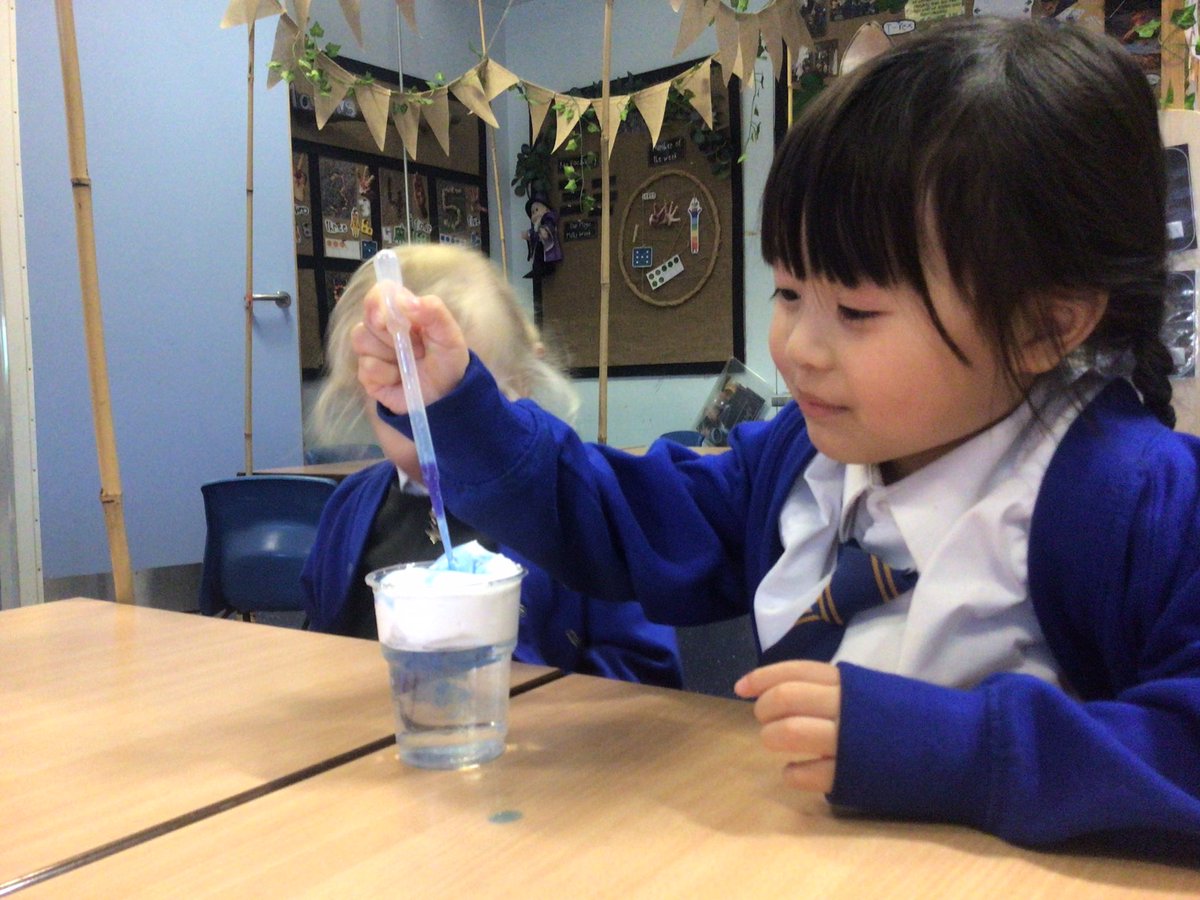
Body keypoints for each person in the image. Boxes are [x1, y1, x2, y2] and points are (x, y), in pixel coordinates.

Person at [351, 20, 1200, 852]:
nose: (794, 346)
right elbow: (617, 522)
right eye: (789, 292)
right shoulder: (798, 461)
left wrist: (960, 746)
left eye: (857, 312)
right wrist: (459, 403)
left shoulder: (1135, 499)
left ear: (1045, 325)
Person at [301, 243, 681, 688]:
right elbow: (322, 642)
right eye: (397, 393)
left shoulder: (574, 507)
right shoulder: (348, 510)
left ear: (517, 386)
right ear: (364, 396)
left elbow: (648, 670)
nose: (429, 414)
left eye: (456, 392)